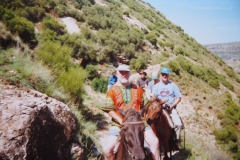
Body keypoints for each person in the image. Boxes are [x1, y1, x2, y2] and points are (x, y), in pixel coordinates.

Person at [102, 64, 160, 160]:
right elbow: (108, 109)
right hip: (118, 124)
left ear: (129, 74)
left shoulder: (138, 89)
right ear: (117, 74)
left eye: (126, 72)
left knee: (155, 142)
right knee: (107, 150)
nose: (124, 74)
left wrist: (143, 120)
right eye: (121, 72)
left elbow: (146, 106)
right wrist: (121, 121)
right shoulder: (112, 90)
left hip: (139, 123)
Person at [152, 67, 183, 148]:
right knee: (151, 122)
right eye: (163, 74)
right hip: (160, 108)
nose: (164, 76)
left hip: (170, 108)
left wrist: (172, 105)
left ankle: (175, 140)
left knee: (178, 124)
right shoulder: (156, 86)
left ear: (168, 75)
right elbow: (153, 98)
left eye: (166, 74)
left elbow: (179, 98)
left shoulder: (173, 85)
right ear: (161, 75)